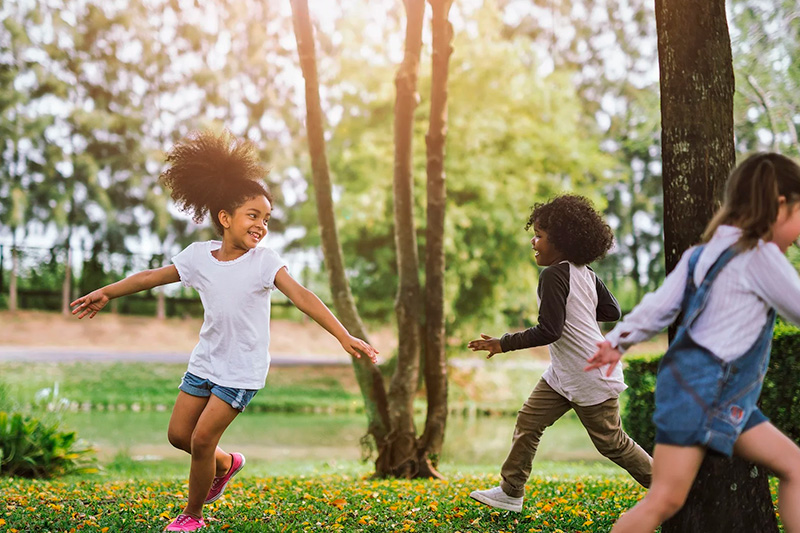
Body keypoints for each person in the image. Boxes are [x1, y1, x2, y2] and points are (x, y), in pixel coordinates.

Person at [70, 130, 379, 532]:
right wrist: (107, 292)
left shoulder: (264, 262)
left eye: (266, 219)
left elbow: (303, 296)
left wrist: (343, 335)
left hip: (242, 369)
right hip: (206, 360)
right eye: (253, 215)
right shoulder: (198, 257)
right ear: (225, 218)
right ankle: (227, 463)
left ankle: (192, 517)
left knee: (201, 441)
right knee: (179, 435)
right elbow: (151, 276)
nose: (261, 225)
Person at [586, 152, 800, 533]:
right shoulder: (761, 256)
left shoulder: (703, 254)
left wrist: (618, 340)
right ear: (781, 205)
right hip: (707, 392)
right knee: (664, 499)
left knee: (794, 467)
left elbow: (659, 306)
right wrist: (617, 340)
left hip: (710, 393)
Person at [467, 194, 652, 513]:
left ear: (563, 241)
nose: (534, 242)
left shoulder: (553, 275)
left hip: (589, 374)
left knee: (612, 443)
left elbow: (549, 330)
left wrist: (503, 343)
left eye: (539, 236)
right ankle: (511, 491)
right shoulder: (585, 273)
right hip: (564, 374)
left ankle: (671, 487)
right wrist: (580, 313)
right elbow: (611, 310)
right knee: (528, 420)